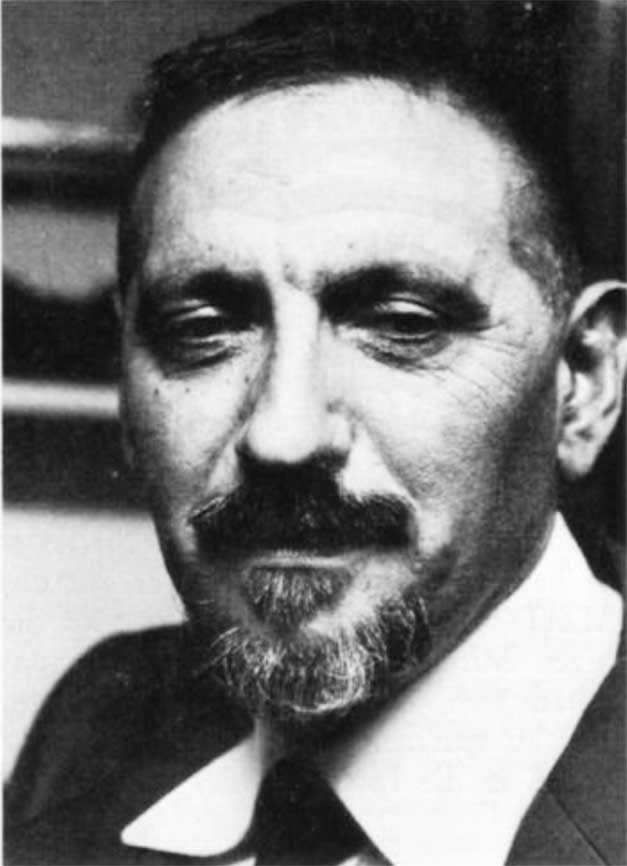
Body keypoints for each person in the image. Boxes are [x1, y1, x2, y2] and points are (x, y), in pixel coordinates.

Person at [5, 2, 625, 864]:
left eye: (401, 324)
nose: (283, 435)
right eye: (201, 331)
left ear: (583, 382)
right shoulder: (96, 725)